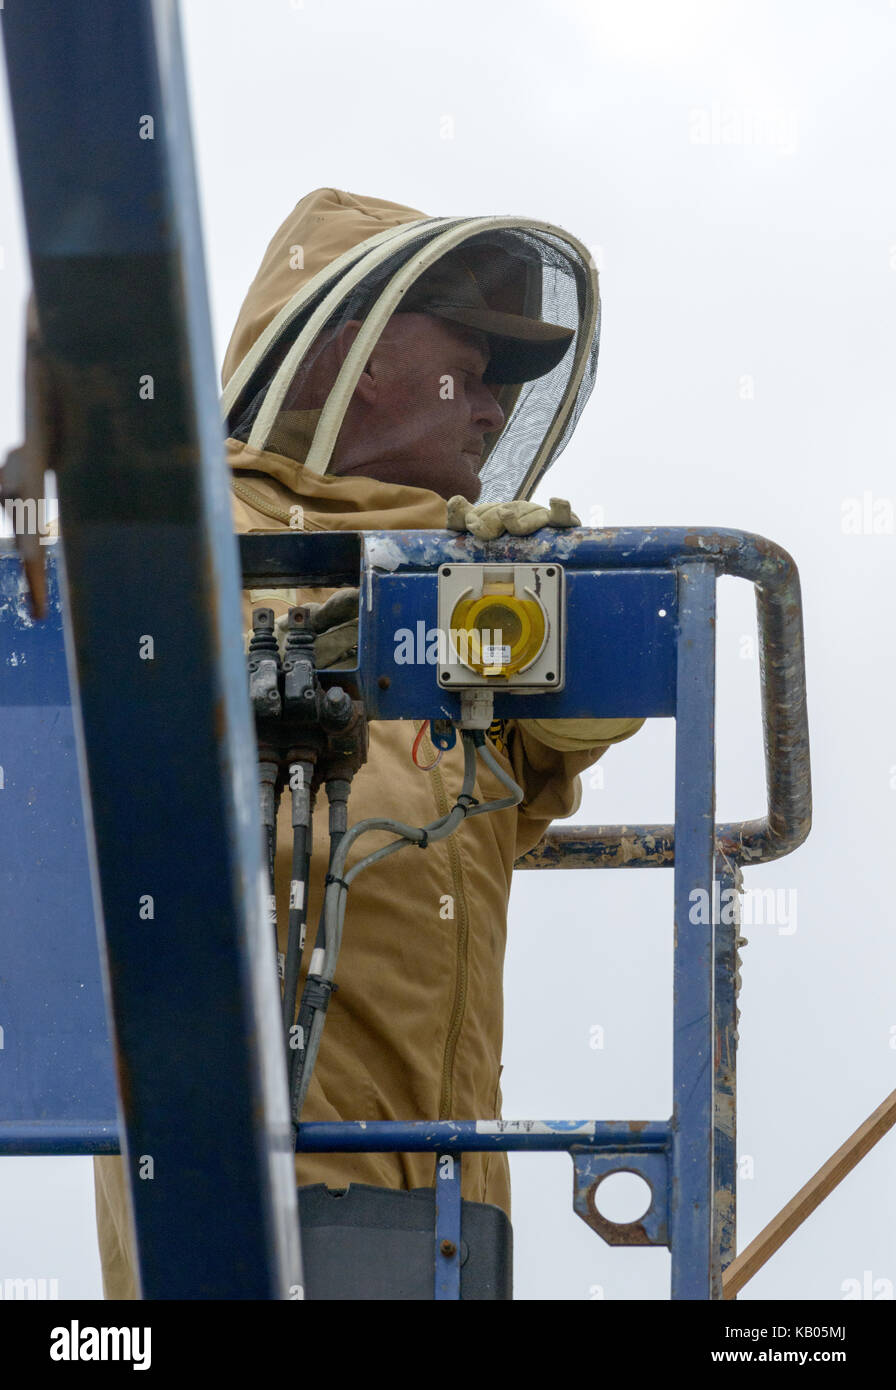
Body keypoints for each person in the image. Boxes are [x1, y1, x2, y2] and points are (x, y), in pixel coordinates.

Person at [93, 187, 644, 1298]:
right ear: (339, 357)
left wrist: (559, 603)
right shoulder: (160, 558)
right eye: (474, 364)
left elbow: (605, 704)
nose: (491, 410)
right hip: (234, 1230)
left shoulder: (466, 605)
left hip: (441, 1233)